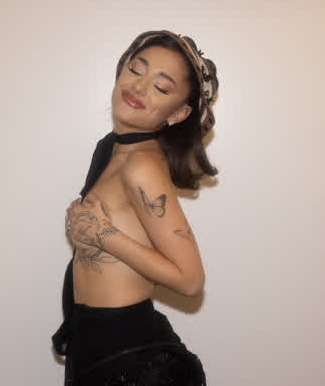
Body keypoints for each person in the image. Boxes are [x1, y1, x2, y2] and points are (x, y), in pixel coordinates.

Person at [52, 29, 219, 385]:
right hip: (93, 347)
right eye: (136, 69)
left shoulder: (142, 165)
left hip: (132, 362)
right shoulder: (111, 149)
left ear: (179, 113)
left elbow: (191, 281)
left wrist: (103, 236)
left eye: (161, 87)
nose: (140, 87)